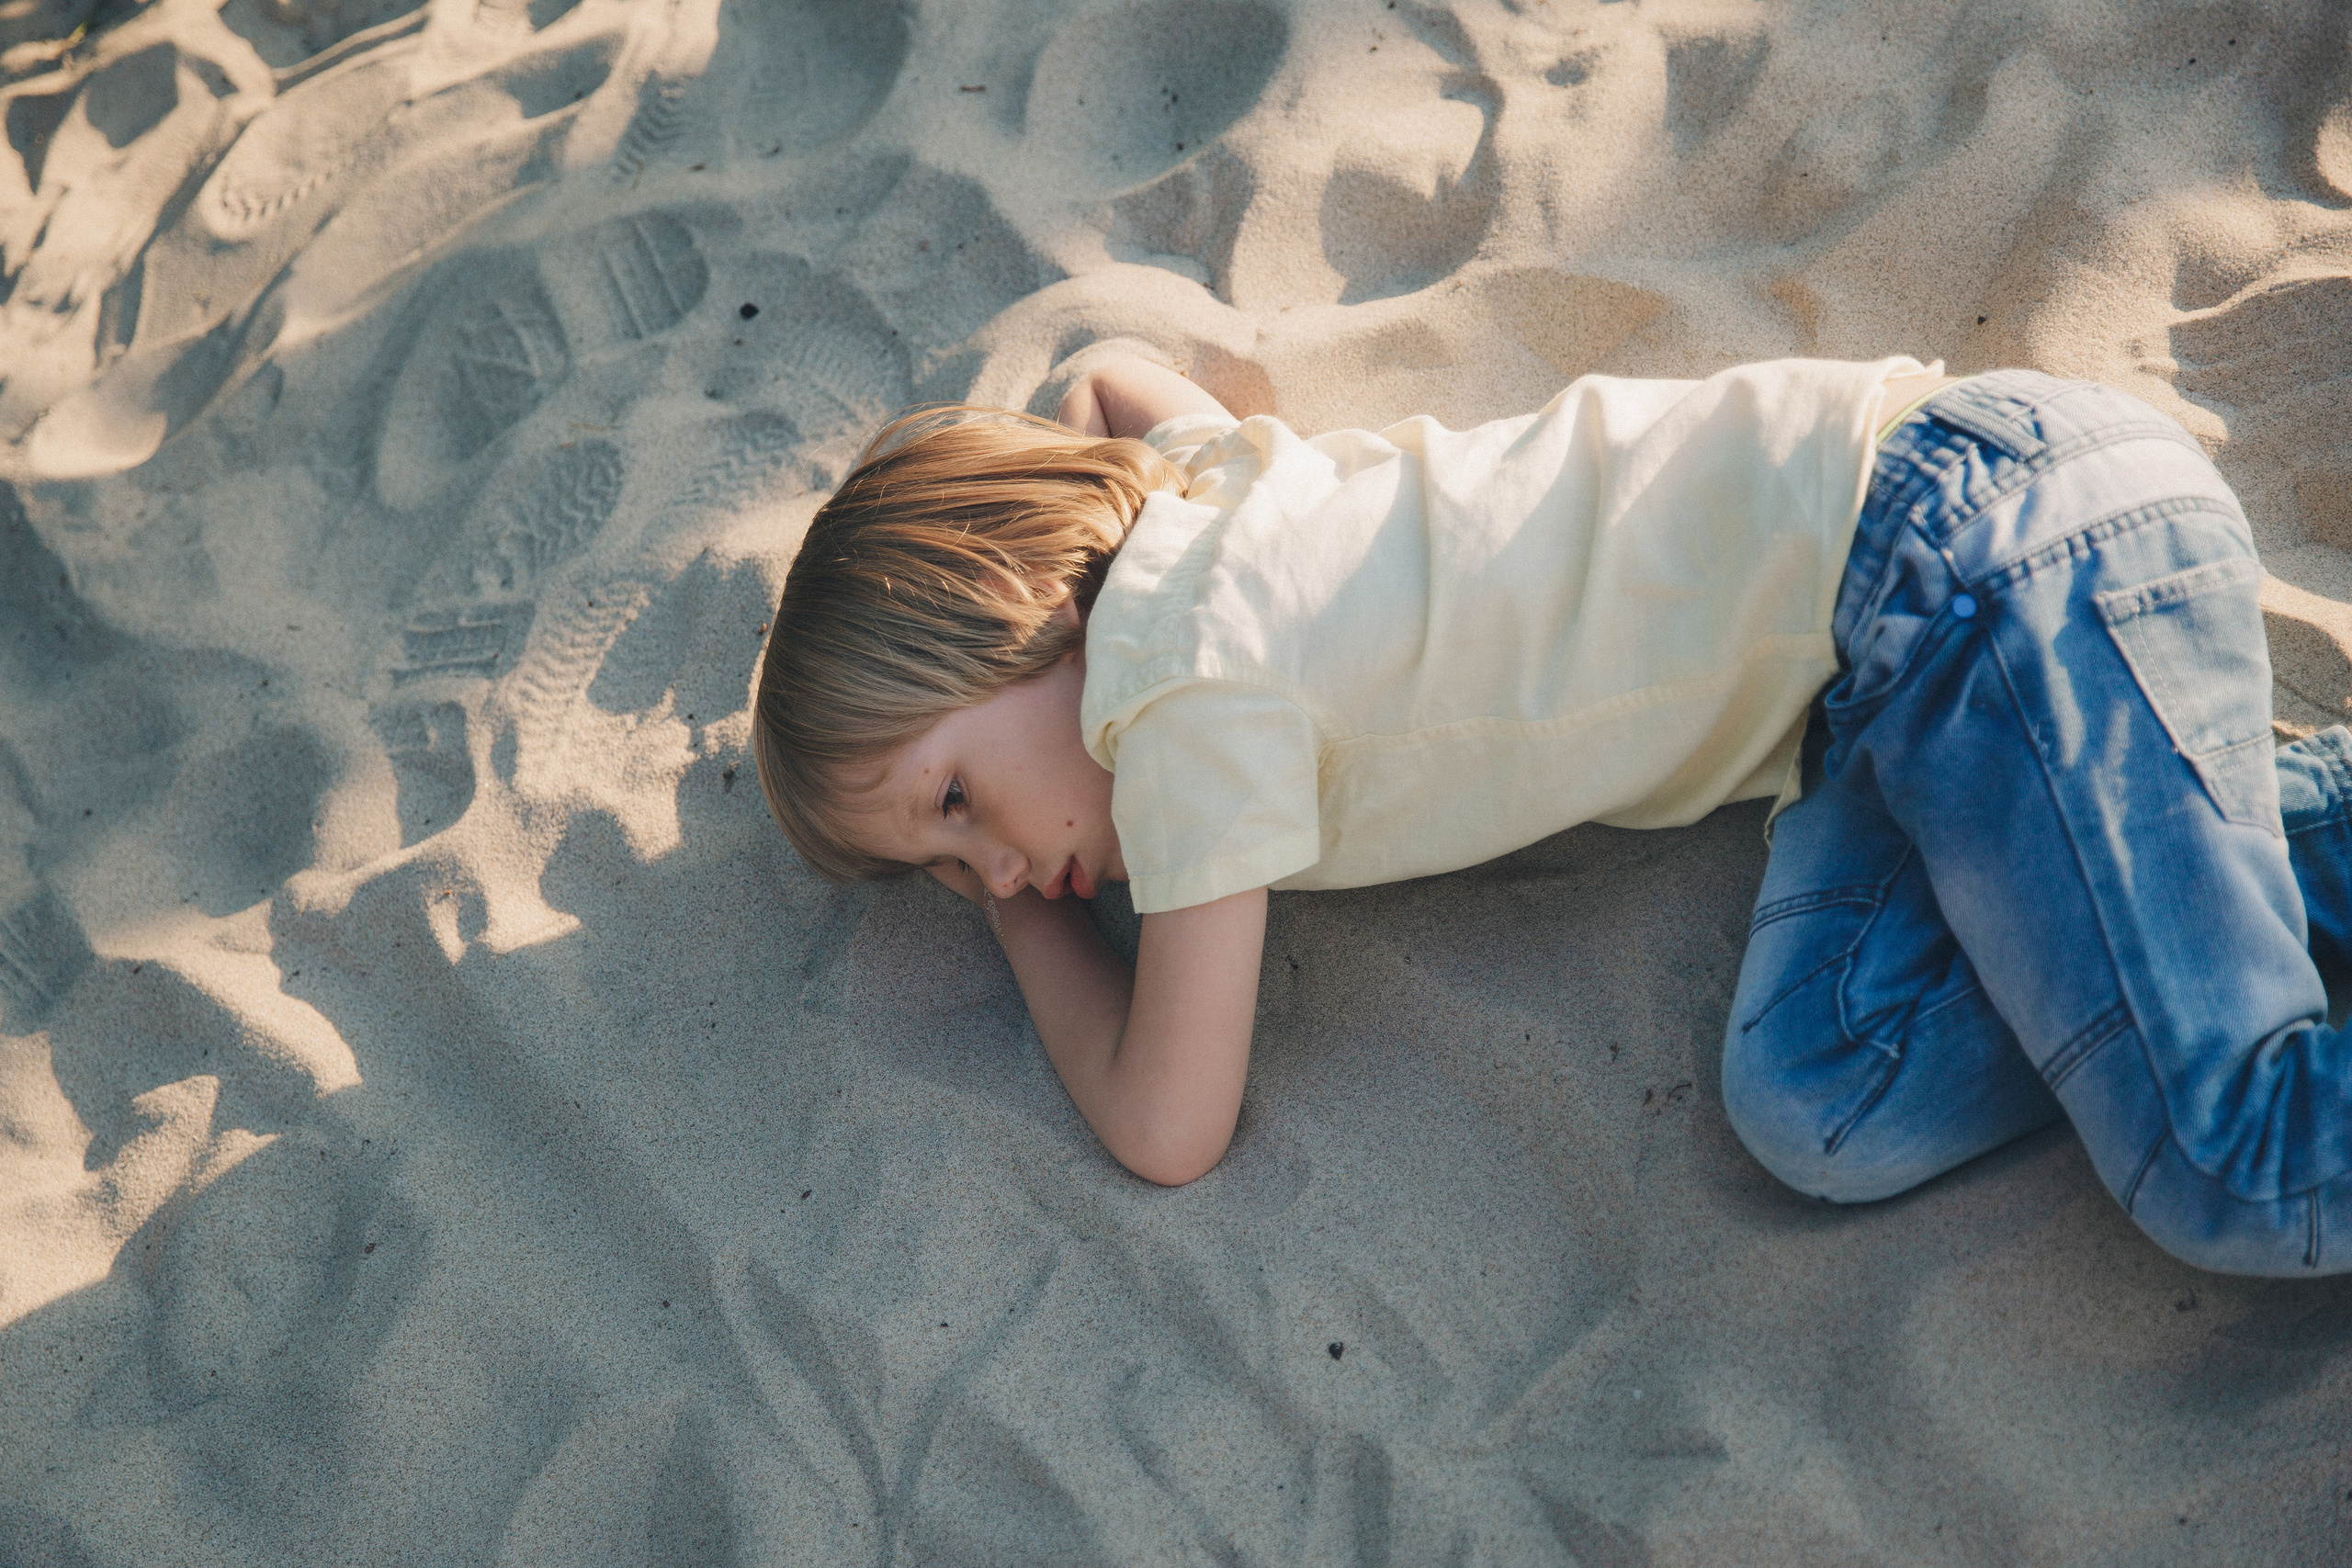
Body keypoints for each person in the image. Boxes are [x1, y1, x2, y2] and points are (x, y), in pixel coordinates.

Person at [752, 350, 2352, 1277]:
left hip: (1962, 552)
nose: (1004, 864)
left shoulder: (1177, 691)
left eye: (954, 802)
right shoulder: (1201, 497)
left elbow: (1170, 1127)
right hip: (1888, 679)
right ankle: (2274, 821)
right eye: (949, 870)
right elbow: (1112, 366)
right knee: (1825, 1095)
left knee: (2239, 1163)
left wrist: (1025, 925)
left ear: (1024, 603)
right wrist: (1038, 511)